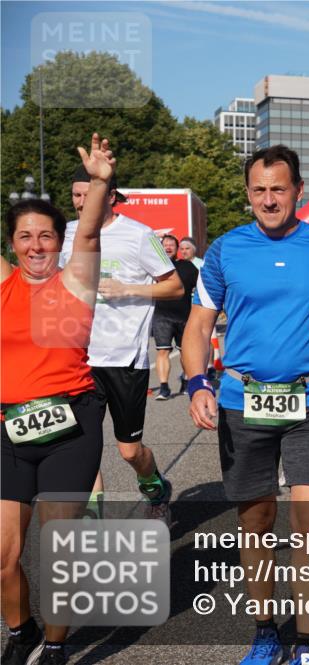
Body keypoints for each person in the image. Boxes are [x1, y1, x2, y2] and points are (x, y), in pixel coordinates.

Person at [183, 145, 309, 665]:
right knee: (256, 520)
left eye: (279, 188)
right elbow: (198, 326)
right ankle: (266, 630)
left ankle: (308, 645)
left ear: (298, 190)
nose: (269, 199)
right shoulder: (225, 251)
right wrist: (198, 382)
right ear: (248, 193)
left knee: (308, 518)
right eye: (259, 190)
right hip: (241, 401)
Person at [2, 134, 113, 665]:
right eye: (25, 237)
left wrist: (98, 181)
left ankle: (54, 642)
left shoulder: (75, 280)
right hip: (8, 429)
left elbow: (89, 229)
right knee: (3, 557)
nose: (36, 245)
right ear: (13, 245)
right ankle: (21, 628)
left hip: (71, 423)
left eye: (46, 235)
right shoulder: (4, 285)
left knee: (60, 548)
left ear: (59, 241)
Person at [60, 164, 183, 523]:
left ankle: (155, 487)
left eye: (89, 194)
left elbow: (174, 286)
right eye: (76, 196)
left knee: (129, 451)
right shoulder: (65, 235)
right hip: (78, 358)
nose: (81, 203)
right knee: (81, 446)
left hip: (124, 358)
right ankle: (92, 516)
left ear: (111, 197)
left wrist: (130, 288)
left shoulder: (139, 235)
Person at [151, 234, 199, 399]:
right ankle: (164, 387)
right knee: (162, 350)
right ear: (161, 247)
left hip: (184, 316)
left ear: (177, 249)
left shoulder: (188, 266)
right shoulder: (153, 267)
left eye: (172, 244)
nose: (168, 247)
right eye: (165, 244)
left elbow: (200, 288)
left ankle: (186, 382)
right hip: (161, 315)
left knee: (185, 352)